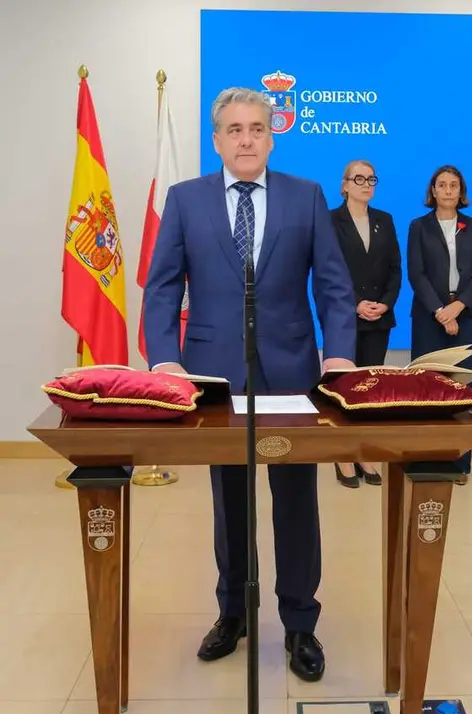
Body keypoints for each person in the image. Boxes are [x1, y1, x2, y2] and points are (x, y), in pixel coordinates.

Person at [143, 87, 357, 682]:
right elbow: (162, 287)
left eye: (256, 128)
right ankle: (232, 614)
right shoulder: (185, 201)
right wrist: (165, 361)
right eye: (233, 130)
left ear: (271, 135)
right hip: (213, 374)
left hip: (291, 372)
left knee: (295, 499)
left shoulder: (306, 196)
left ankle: (299, 623)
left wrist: (338, 355)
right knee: (229, 501)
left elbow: (335, 287)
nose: (245, 139)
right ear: (217, 140)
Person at [406, 164, 472, 480]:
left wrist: (457, 308)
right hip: (429, 317)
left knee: (461, 391)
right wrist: (440, 311)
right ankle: (425, 460)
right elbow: (416, 273)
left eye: (454, 185)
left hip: (466, 316)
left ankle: (459, 463)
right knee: (425, 390)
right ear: (433, 191)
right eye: (442, 185)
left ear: (461, 191)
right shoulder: (418, 226)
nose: (448, 190)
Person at [330, 158, 401, 488]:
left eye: (371, 179)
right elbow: (329, 271)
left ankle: (365, 452)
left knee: (371, 390)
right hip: (344, 316)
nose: (366, 184)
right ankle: (343, 454)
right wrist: (356, 303)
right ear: (344, 185)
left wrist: (384, 303)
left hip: (379, 318)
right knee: (344, 387)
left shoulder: (384, 221)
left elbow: (395, 270)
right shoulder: (331, 221)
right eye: (358, 179)